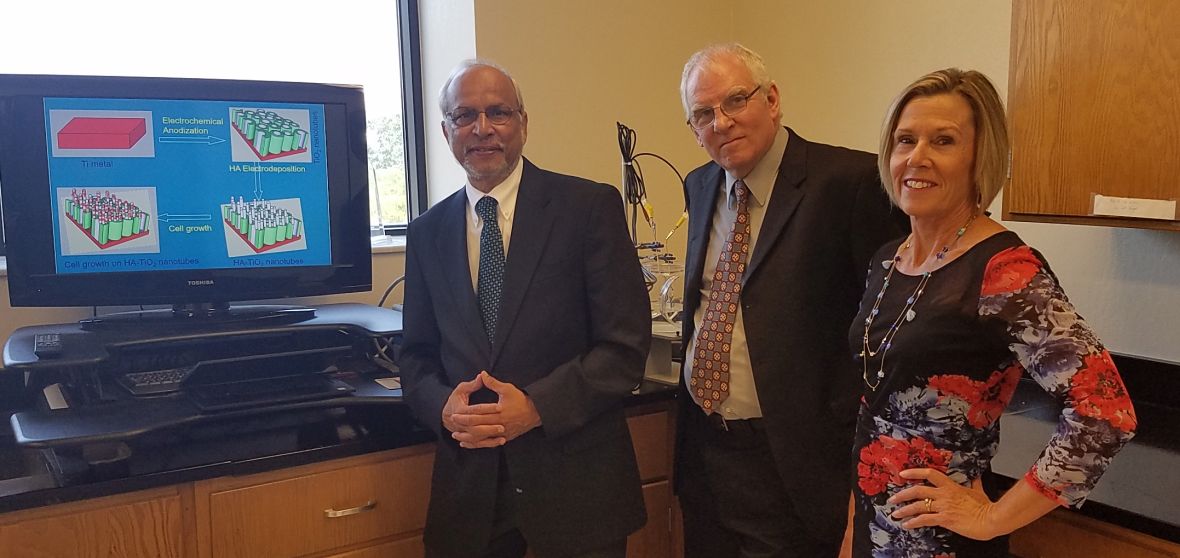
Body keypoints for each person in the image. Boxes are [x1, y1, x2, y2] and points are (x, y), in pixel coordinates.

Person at [845, 68, 1138, 557]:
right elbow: (871, 411)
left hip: (943, 541)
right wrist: (851, 530)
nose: (917, 157)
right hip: (875, 532)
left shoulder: (1005, 272)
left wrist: (994, 517)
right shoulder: (888, 260)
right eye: (905, 140)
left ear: (981, 158)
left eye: (943, 141)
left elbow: (1105, 413)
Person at [399, 60, 651, 558]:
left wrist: (537, 406)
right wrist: (442, 407)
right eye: (465, 115)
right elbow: (415, 357)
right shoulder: (427, 232)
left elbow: (624, 349)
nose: (483, 129)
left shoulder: (588, 208)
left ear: (523, 123)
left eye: (499, 112)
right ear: (447, 129)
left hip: (576, 489)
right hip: (470, 496)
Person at [675, 43, 907, 557]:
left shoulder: (851, 183)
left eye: (736, 100)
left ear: (772, 99)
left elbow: (884, 330)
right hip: (707, 452)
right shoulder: (701, 184)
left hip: (794, 461)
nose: (722, 122)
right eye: (703, 114)